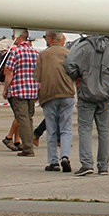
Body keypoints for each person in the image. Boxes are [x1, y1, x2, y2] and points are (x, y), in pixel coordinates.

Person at [65, 34, 109, 176]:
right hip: (106, 95)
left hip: (87, 94)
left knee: (85, 129)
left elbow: (68, 63)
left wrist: (77, 76)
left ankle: (87, 164)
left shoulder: (83, 47)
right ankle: (103, 166)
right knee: (104, 131)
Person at [36, 31, 75, 172]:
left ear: (51, 38)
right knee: (66, 128)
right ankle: (65, 156)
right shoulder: (68, 53)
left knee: (51, 129)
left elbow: (38, 78)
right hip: (67, 93)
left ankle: (53, 161)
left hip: (49, 94)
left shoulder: (43, 55)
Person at [3, 30, 40, 157]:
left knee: (22, 119)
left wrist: (5, 89)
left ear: (19, 38)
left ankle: (28, 148)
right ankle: (28, 143)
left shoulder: (15, 52)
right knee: (29, 118)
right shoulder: (35, 52)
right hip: (32, 90)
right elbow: (39, 73)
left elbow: (9, 72)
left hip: (19, 90)